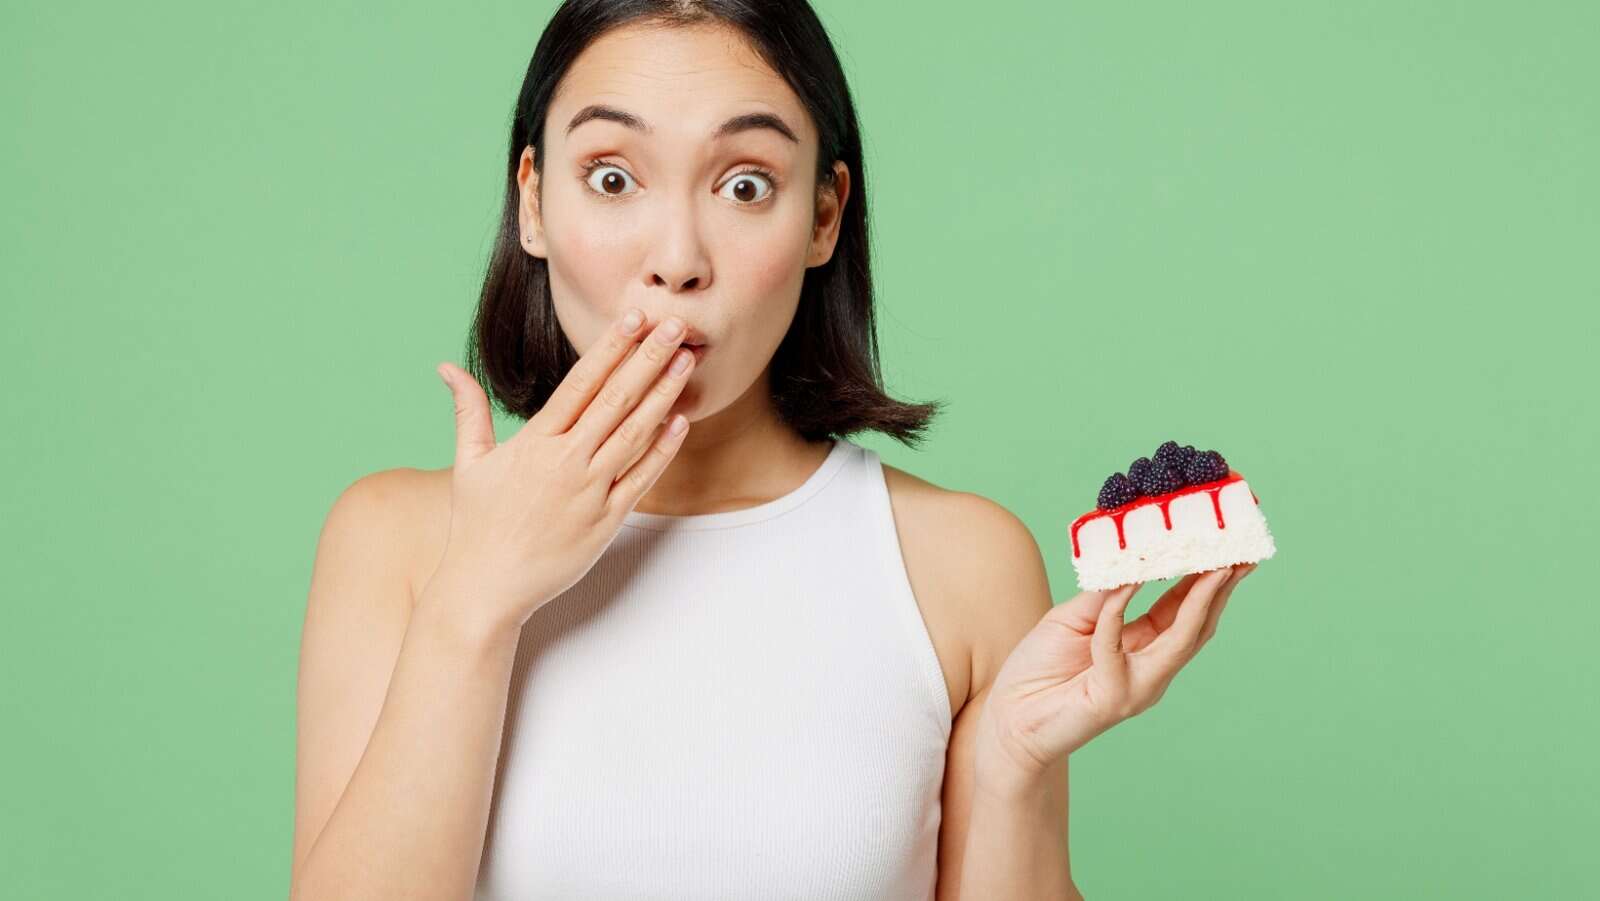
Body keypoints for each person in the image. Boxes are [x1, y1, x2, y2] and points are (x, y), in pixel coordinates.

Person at [288, 3, 1255, 899]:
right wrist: (476, 598)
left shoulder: (961, 563)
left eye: (745, 184)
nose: (677, 256)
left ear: (824, 217)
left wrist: (1007, 765)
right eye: (612, 177)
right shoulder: (396, 543)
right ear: (533, 200)